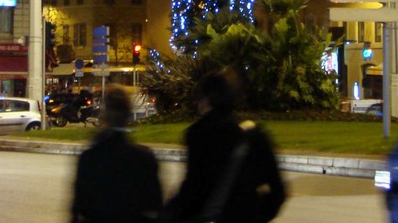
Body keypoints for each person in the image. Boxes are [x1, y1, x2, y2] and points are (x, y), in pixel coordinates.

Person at [163, 71, 286, 223]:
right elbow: (278, 191)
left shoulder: (197, 134)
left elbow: (193, 191)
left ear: (206, 101)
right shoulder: (255, 137)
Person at [70, 86, 162, 223]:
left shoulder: (90, 157)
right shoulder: (144, 158)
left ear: (105, 113)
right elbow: (154, 205)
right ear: (128, 113)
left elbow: (80, 206)